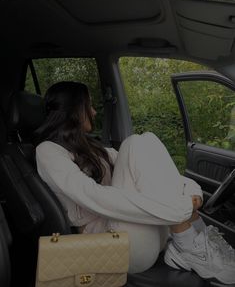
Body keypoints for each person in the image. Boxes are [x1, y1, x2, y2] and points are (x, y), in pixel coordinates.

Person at [35, 81, 235, 284]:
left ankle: (194, 243)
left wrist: (193, 190)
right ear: (75, 110)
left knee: (145, 139)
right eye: (89, 105)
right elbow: (92, 195)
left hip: (145, 234)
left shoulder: (91, 147)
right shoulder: (47, 151)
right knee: (134, 143)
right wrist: (177, 209)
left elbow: (151, 168)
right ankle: (190, 245)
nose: (94, 112)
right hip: (113, 246)